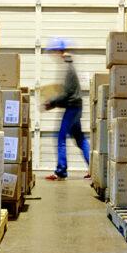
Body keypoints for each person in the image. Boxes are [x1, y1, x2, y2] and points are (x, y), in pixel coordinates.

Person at [43, 38, 91, 180]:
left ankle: (61, 171)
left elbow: (67, 93)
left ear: (59, 51)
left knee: (60, 138)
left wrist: (51, 102)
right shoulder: (69, 65)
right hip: (76, 107)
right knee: (80, 138)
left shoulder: (67, 67)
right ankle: (93, 169)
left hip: (72, 108)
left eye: (54, 51)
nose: (53, 55)